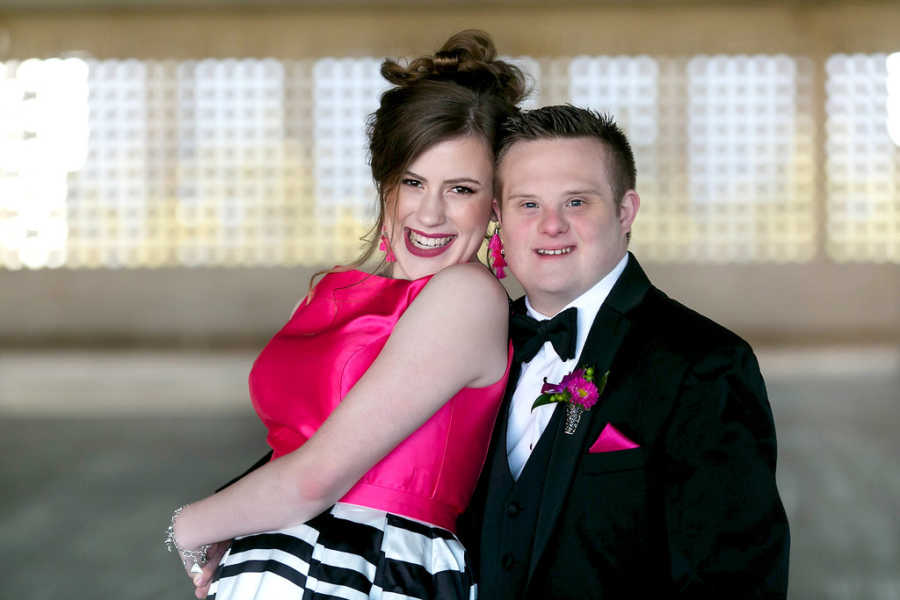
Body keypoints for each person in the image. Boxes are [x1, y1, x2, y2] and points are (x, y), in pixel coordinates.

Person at [165, 30, 527, 600]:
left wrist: (186, 527)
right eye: (413, 181)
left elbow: (314, 479)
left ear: (496, 205)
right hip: (278, 562)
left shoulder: (466, 295)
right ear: (386, 185)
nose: (430, 213)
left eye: (460, 189)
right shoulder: (329, 292)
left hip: (371, 567)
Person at [461, 105, 791, 598]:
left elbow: (735, 581)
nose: (551, 225)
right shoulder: (469, 347)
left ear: (624, 211)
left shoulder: (704, 363)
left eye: (576, 202)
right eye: (528, 204)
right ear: (499, 219)